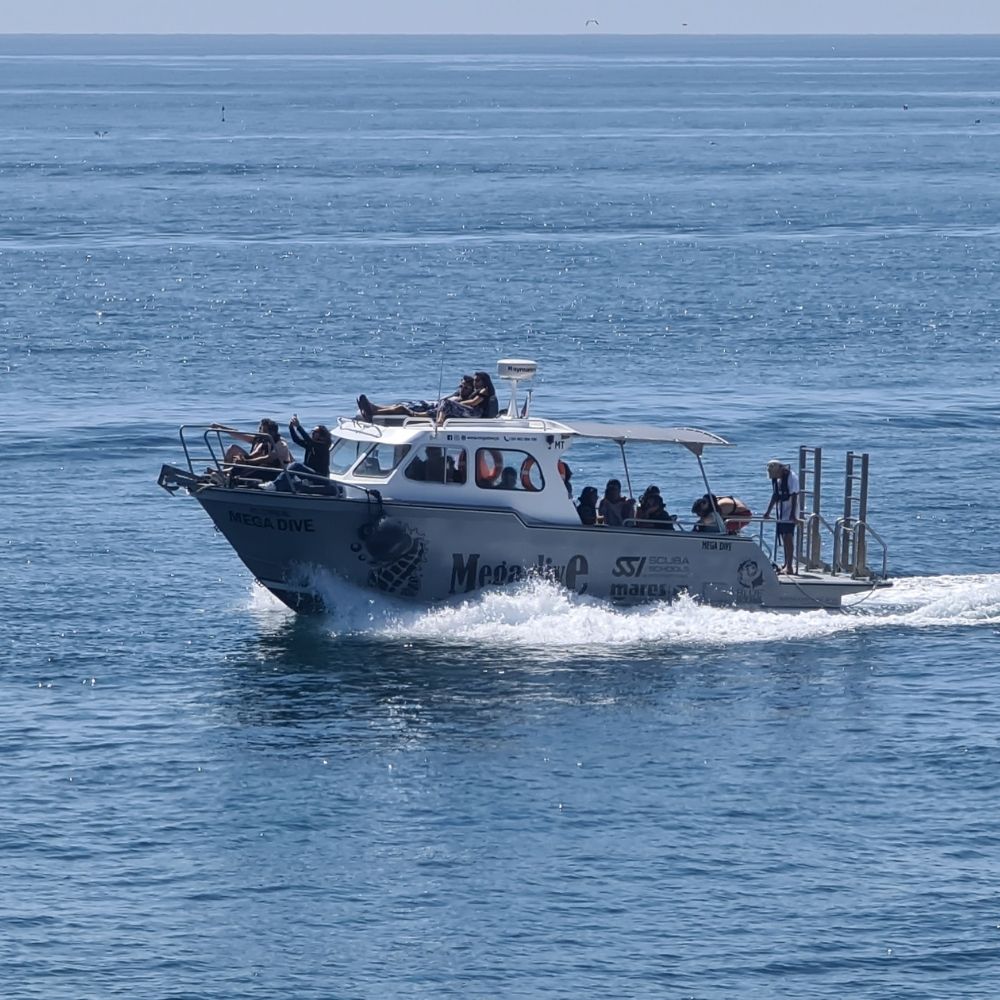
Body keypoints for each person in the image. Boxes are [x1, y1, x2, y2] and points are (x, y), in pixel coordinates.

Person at [357, 375, 474, 422]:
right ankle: (374, 408)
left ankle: (373, 412)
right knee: (402, 403)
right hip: (430, 404)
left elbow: (447, 407)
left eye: (466, 388)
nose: (462, 389)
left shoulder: (464, 401)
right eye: (461, 386)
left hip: (431, 411)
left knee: (402, 408)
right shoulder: (456, 394)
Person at [213, 419, 292, 478]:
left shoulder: (281, 443)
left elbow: (268, 458)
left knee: (249, 468)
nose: (260, 432)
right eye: (260, 429)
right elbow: (239, 434)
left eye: (264, 430)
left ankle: (228, 476)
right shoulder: (260, 439)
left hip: (277, 472)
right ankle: (224, 475)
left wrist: (246, 461)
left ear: (273, 432)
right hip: (262, 466)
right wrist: (220, 427)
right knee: (233, 448)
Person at [763, 458, 799, 573]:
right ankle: (785, 563)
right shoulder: (778, 480)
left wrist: (793, 514)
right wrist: (768, 511)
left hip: (790, 511)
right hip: (782, 511)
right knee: (783, 536)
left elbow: (794, 495)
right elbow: (775, 496)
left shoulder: (791, 477)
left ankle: (789, 566)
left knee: (788, 536)